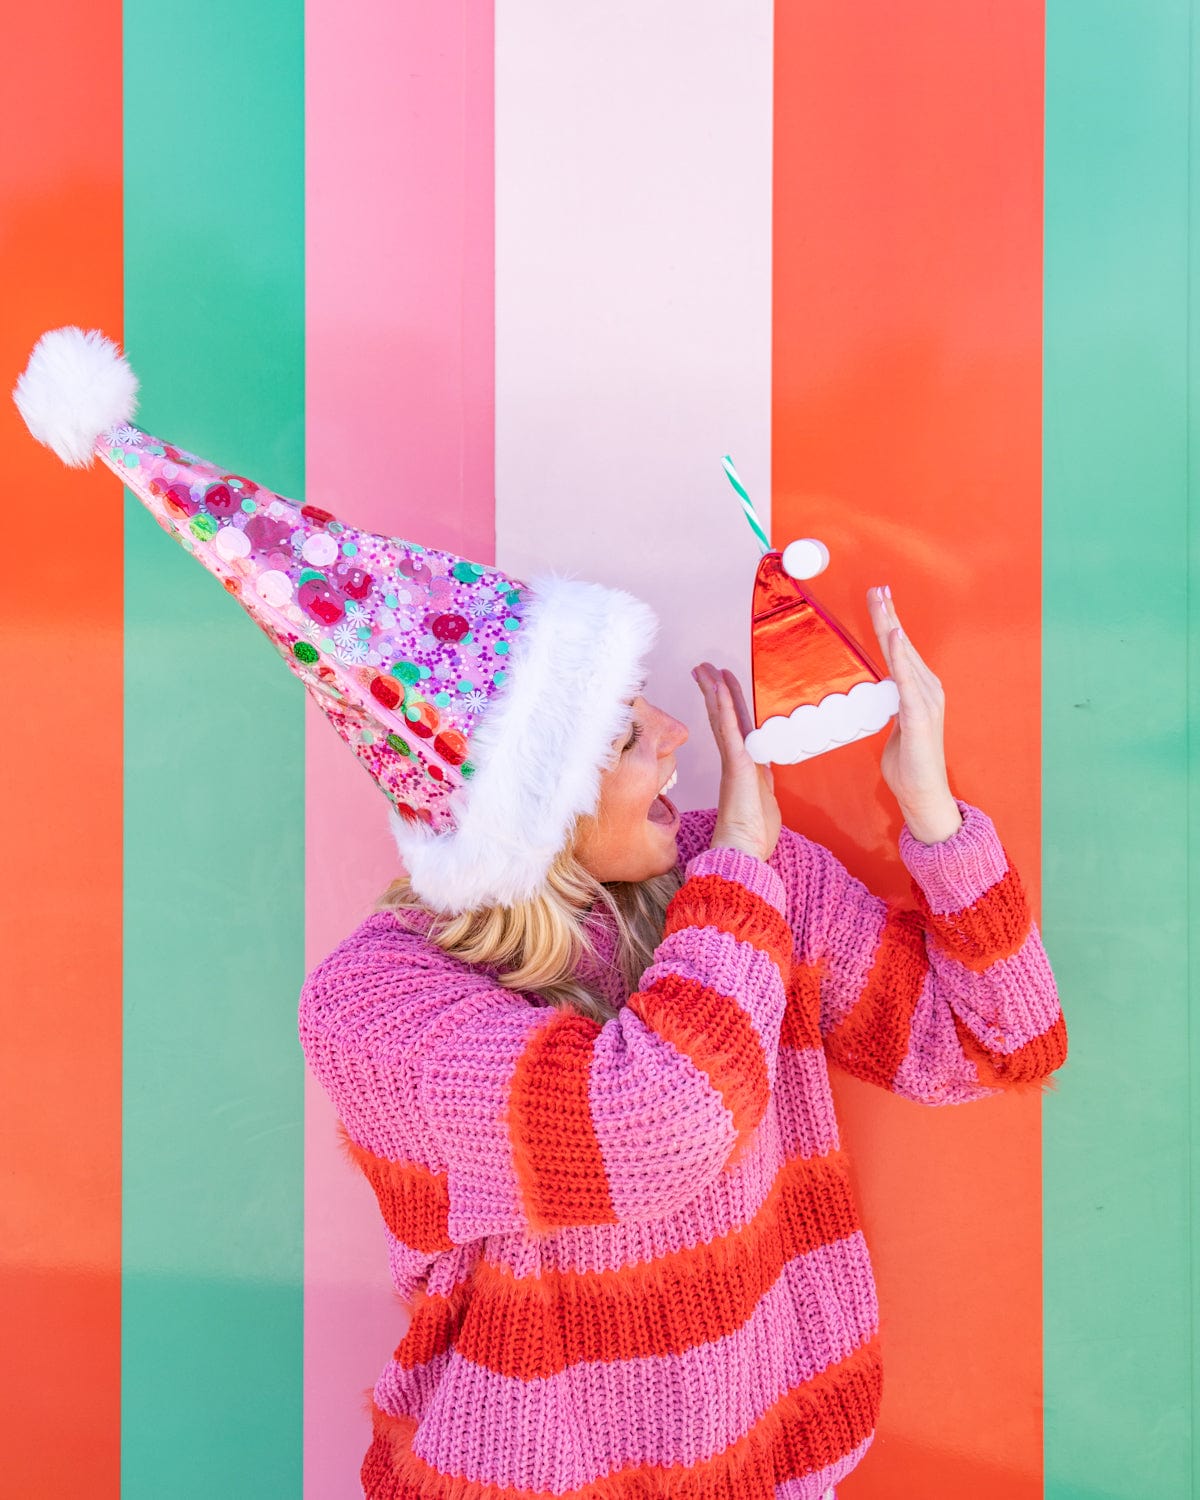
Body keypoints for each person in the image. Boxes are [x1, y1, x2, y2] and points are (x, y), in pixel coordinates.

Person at [15, 327, 1066, 1500]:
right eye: (623, 735)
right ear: (533, 818)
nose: (677, 736)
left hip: (773, 1467)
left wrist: (933, 821)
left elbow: (997, 1044)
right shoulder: (378, 1006)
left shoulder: (734, 880)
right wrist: (750, 865)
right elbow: (658, 1126)